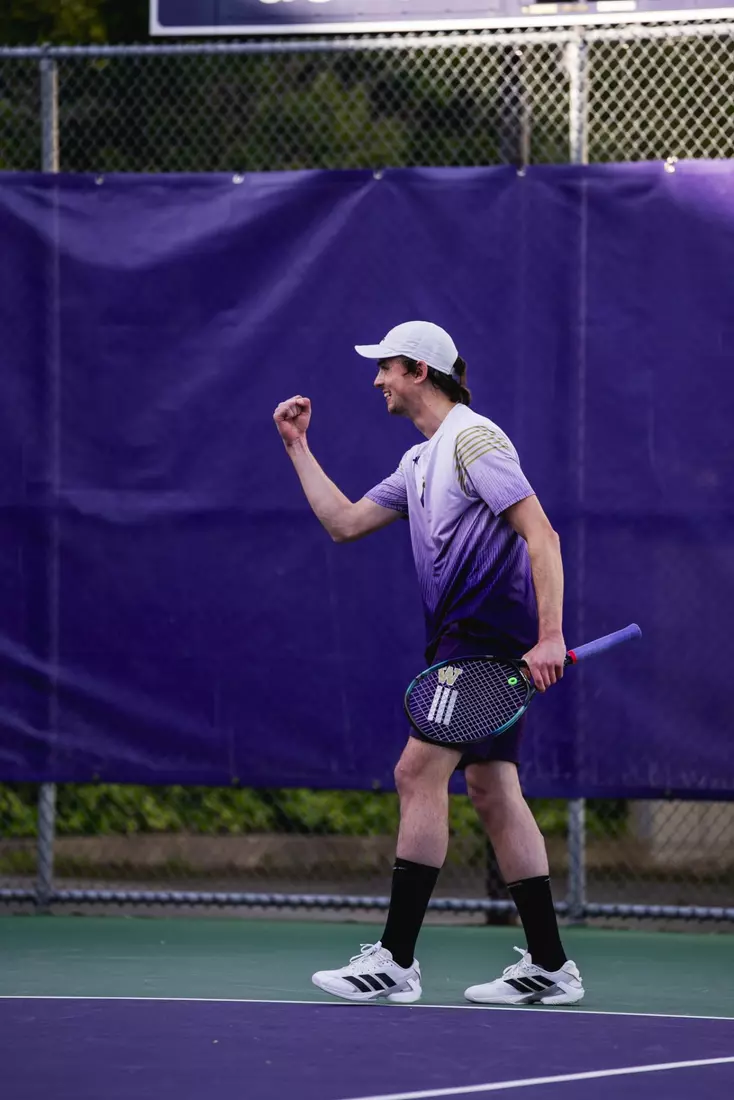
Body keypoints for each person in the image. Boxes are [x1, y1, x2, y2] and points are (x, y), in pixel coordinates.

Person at [272, 321, 584, 1007]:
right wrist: (297, 446)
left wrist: (550, 635)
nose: (376, 380)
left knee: (416, 772)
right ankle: (551, 965)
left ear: (417, 370)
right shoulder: (420, 463)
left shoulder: (474, 441)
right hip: (462, 640)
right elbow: (345, 522)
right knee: (494, 792)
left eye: (384, 367)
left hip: (483, 639)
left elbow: (543, 534)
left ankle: (396, 959)